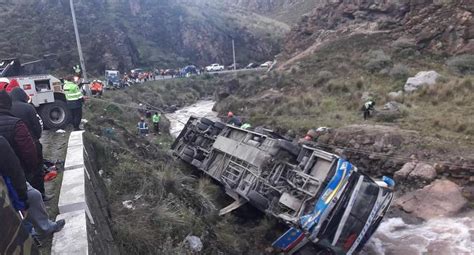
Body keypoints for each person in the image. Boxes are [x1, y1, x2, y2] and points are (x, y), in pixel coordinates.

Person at [9, 88, 50, 200]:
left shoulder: (7, 108)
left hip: (14, 147)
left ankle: (26, 196)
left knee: (21, 171)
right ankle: (41, 195)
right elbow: (37, 125)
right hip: (32, 143)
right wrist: (36, 138)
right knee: (37, 169)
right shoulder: (28, 107)